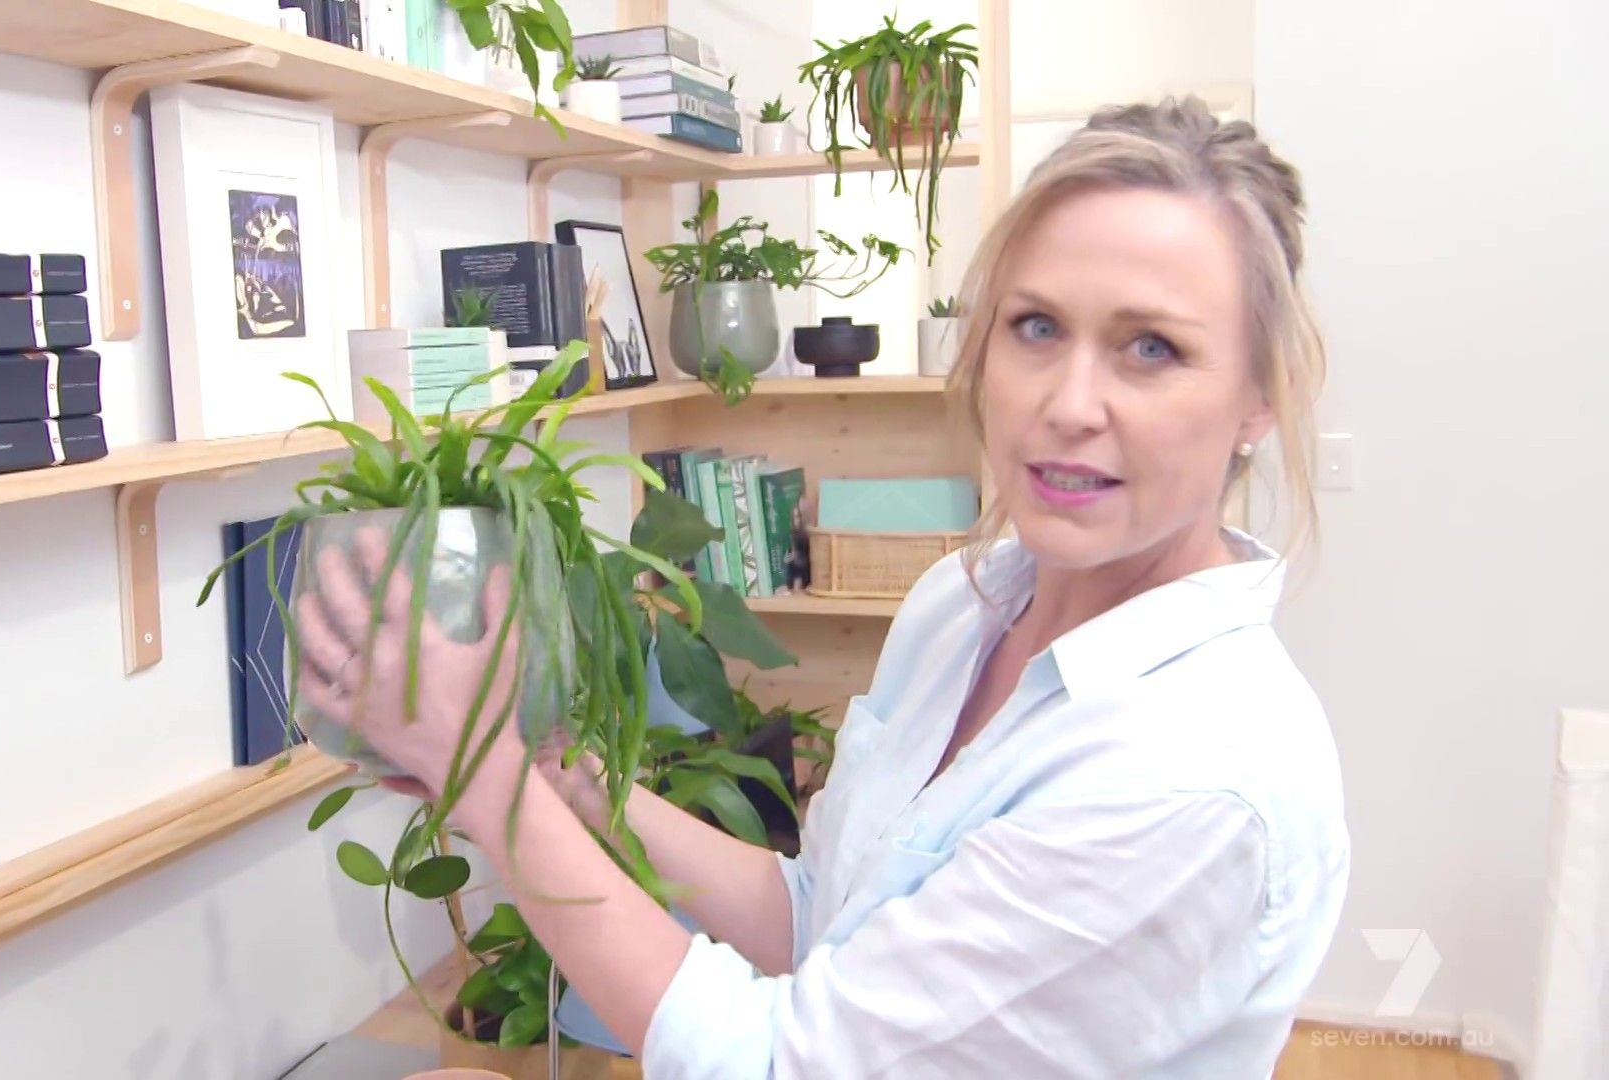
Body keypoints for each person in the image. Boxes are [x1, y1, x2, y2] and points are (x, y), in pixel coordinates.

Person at [294, 97, 1349, 1079]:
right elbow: (821, 918)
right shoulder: (964, 604)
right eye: (1036, 326)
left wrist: (490, 783)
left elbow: (783, 1065)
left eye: (1151, 347)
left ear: (1260, 397)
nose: (1070, 404)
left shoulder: (1197, 778)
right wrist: (570, 785)